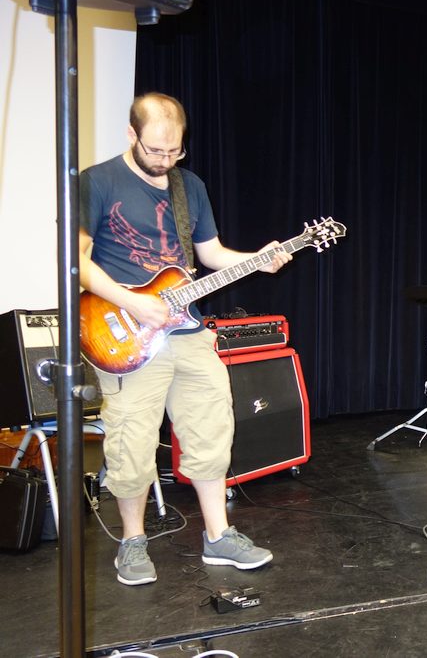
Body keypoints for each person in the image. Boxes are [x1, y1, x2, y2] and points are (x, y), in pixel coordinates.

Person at [79, 93, 292, 586]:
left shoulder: (188, 186)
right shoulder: (97, 181)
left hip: (188, 330)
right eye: (155, 151)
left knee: (212, 430)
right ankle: (132, 541)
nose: (165, 160)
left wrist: (258, 259)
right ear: (131, 135)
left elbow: (211, 253)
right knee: (131, 442)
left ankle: (218, 536)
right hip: (127, 332)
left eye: (174, 151)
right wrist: (133, 303)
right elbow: (75, 260)